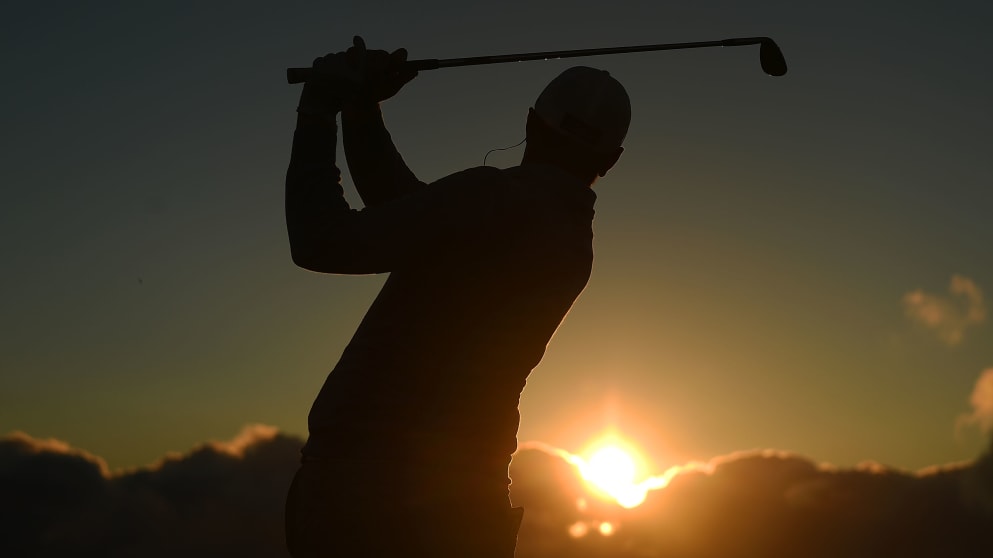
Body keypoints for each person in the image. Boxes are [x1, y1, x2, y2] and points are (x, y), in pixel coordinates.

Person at [283, 36, 631, 558]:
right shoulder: (567, 241)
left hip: (364, 492)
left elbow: (322, 240)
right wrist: (360, 109)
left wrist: (317, 111)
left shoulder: (489, 197)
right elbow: (411, 214)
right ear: (613, 158)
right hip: (465, 503)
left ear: (532, 122)